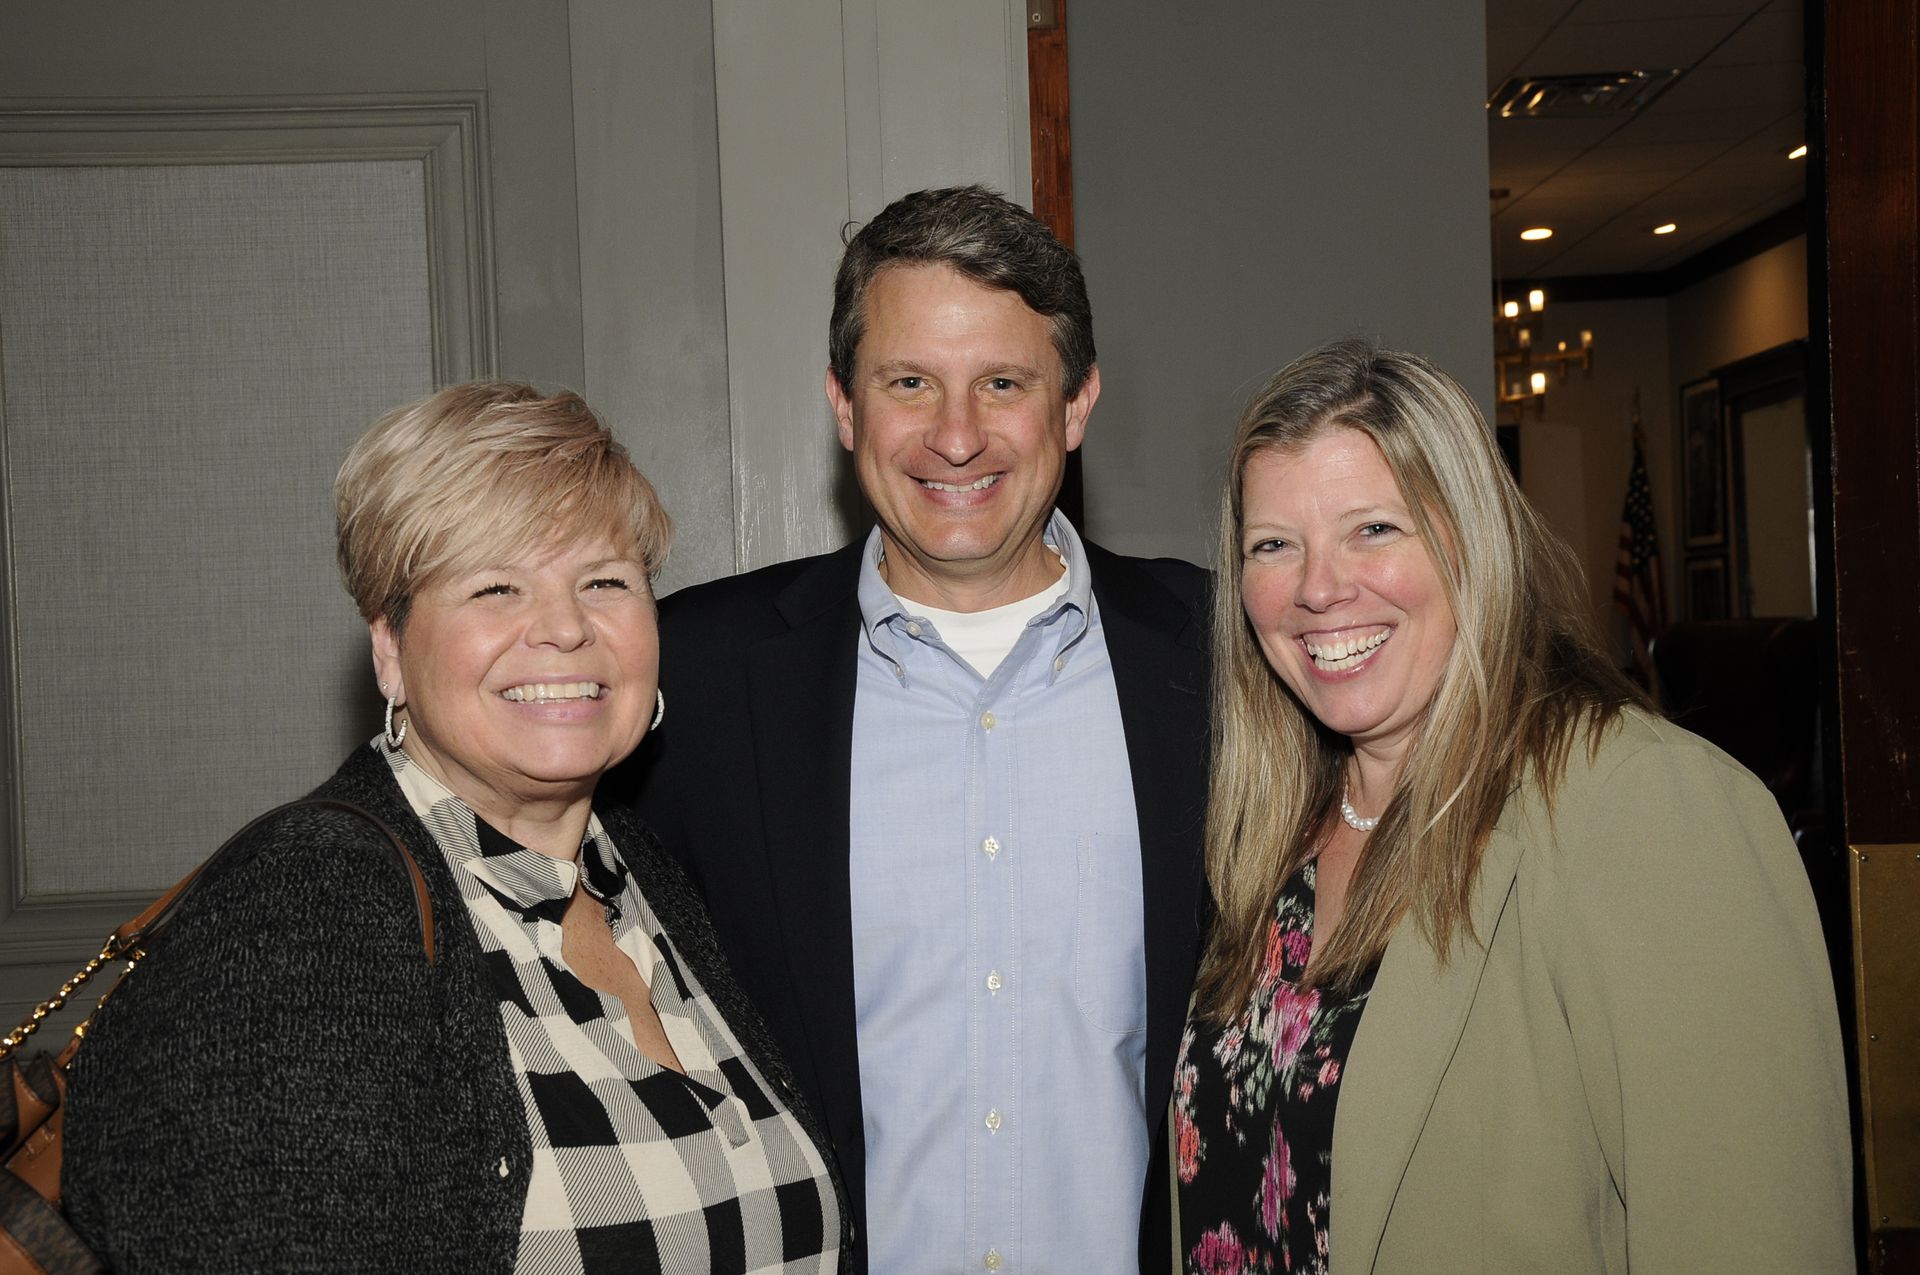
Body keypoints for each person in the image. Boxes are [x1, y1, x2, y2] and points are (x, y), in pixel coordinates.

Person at [64, 382, 848, 1274]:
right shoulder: (311, 916)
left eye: (604, 581)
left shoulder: (647, 876)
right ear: (391, 647)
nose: (563, 627)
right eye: (494, 586)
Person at [625, 185, 1210, 1273]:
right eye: (909, 383)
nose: (955, 435)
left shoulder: (1225, 663)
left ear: (1076, 405)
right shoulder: (692, 676)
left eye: (1002, 383)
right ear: (845, 406)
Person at [1173, 339, 1851, 1273]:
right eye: (1273, 545)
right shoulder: (1268, 834)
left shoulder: (1641, 805)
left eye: (1373, 528)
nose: (1319, 587)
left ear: (1471, 540)